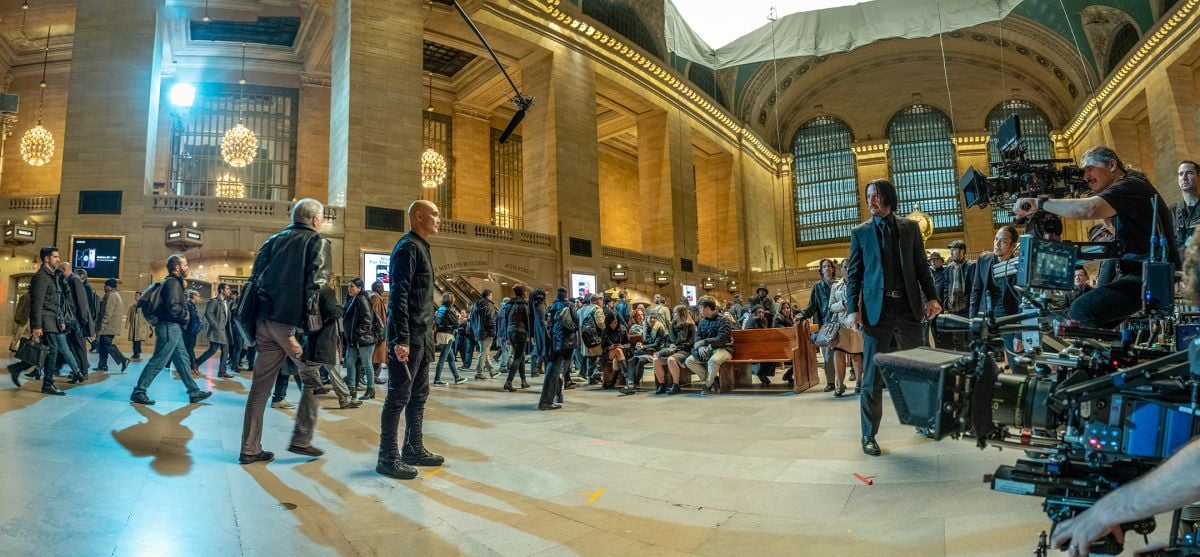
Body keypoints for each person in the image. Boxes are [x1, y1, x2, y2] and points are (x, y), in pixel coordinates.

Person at [1014, 146, 1179, 329]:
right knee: (1087, 317)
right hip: (1141, 271)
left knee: (1082, 310)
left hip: (1151, 273)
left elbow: (1089, 209)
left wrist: (1040, 203)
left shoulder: (1131, 185)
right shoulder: (1129, 188)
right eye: (1083, 172)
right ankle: (1109, 354)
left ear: (1111, 165)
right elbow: (1107, 219)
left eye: (1089, 168)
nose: (1085, 177)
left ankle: (1103, 357)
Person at [845, 178, 941, 457]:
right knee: (871, 377)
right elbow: (854, 276)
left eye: (876, 195)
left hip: (908, 309)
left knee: (914, 369)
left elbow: (922, 267)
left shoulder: (910, 228)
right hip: (877, 313)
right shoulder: (860, 233)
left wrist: (932, 297)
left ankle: (922, 421)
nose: (871, 200)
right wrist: (852, 308)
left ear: (888, 198)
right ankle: (868, 435)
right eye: (868, 196)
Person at [237, 198, 332, 465]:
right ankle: (301, 440)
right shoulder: (317, 242)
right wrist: (313, 329)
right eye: (321, 218)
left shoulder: (271, 241)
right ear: (314, 220)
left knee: (259, 390)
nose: (321, 223)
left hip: (262, 322)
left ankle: (250, 448)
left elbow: (255, 281)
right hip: (288, 326)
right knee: (313, 378)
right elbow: (317, 286)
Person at [377, 200, 446, 480]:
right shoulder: (407, 247)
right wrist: (401, 339)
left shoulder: (421, 247)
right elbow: (400, 296)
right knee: (398, 397)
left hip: (422, 336)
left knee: (418, 396)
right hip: (409, 337)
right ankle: (387, 457)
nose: (439, 218)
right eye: (435, 214)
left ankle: (413, 447)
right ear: (419, 216)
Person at [129, 254, 213, 406]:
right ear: (177, 267)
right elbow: (174, 308)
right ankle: (139, 391)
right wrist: (185, 315)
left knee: (182, 359)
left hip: (173, 327)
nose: (187, 268)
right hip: (169, 326)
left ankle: (194, 392)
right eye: (185, 265)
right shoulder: (173, 283)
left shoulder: (175, 282)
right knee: (159, 360)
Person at [11, 247, 74, 394]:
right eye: (55, 257)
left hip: (53, 319)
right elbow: (37, 302)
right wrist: (36, 325)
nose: (58, 260)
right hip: (45, 319)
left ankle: (18, 368)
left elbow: (56, 300)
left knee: (46, 351)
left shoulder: (52, 276)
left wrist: (61, 319)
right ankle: (47, 384)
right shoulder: (40, 277)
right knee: (52, 350)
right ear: (47, 259)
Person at [304, 283, 361, 410]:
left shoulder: (309, 290)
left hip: (312, 336)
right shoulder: (326, 291)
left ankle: (314, 390)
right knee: (334, 370)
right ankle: (345, 399)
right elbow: (333, 312)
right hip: (325, 338)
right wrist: (340, 308)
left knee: (309, 367)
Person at [970, 225, 1023, 359]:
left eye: (1003, 241)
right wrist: (972, 319)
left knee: (1015, 361)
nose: (997, 244)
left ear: (1012, 246)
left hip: (1009, 319)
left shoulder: (1019, 265)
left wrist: (1019, 334)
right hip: (986, 317)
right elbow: (976, 290)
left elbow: (1023, 301)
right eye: (996, 239)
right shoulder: (984, 259)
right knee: (981, 361)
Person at [682, 296, 734, 395]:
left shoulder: (723, 320)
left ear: (707, 308)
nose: (699, 310)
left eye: (701, 308)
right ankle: (714, 380)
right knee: (689, 361)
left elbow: (721, 339)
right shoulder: (702, 321)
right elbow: (698, 337)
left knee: (713, 361)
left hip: (724, 349)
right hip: (707, 349)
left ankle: (707, 385)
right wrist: (701, 346)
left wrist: (704, 342)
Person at [801, 259, 837, 391]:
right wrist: (802, 315)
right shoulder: (817, 287)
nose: (827, 268)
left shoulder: (839, 284)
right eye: (824, 266)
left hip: (841, 323)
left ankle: (851, 379)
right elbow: (812, 307)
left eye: (829, 266)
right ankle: (831, 382)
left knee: (845, 353)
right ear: (821, 270)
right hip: (826, 325)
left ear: (833, 269)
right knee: (828, 355)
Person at [827, 270, 864, 397]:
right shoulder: (836, 286)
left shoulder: (860, 283)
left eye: (849, 267)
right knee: (838, 353)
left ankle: (859, 382)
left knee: (856, 354)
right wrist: (843, 304)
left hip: (855, 323)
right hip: (840, 324)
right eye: (844, 267)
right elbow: (830, 306)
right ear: (841, 270)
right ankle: (839, 385)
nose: (847, 270)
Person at [538, 286, 576, 410]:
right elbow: (576, 320)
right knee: (561, 369)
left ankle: (557, 395)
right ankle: (552, 398)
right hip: (567, 340)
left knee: (557, 368)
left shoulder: (552, 306)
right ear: (566, 294)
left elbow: (549, 322)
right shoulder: (569, 305)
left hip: (555, 340)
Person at [343, 278, 380, 397]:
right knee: (349, 362)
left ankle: (370, 390)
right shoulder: (351, 299)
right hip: (353, 340)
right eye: (349, 286)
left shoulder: (362, 299)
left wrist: (358, 334)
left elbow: (367, 319)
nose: (349, 288)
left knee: (367, 363)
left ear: (359, 288)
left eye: (352, 286)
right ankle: (352, 389)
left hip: (364, 339)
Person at [498, 284, 532, 392]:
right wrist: (531, 335)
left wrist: (507, 336)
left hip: (510, 331)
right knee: (518, 357)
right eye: (525, 292)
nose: (526, 293)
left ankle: (523, 381)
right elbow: (527, 321)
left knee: (520, 355)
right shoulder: (524, 305)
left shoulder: (508, 304)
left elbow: (506, 320)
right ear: (523, 293)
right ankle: (508, 382)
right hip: (521, 332)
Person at [194, 283, 233, 379]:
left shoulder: (226, 302)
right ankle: (196, 363)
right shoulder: (214, 300)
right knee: (212, 350)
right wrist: (215, 325)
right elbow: (208, 313)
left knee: (225, 350)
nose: (229, 291)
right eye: (227, 289)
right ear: (221, 290)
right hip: (217, 330)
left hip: (225, 331)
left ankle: (222, 372)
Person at [943, 239, 975, 351]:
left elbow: (973, 289)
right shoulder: (949, 268)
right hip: (954, 308)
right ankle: (962, 362)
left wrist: (972, 306)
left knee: (970, 337)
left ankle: (973, 362)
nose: (952, 252)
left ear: (962, 251)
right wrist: (946, 305)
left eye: (954, 250)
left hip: (967, 307)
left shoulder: (971, 267)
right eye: (951, 250)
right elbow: (946, 287)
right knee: (957, 339)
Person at [659, 305, 696, 395]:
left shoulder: (690, 326)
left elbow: (691, 343)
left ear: (682, 314)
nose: (673, 314)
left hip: (685, 351)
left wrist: (677, 346)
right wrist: (671, 345)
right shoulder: (672, 326)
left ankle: (676, 385)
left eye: (675, 313)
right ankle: (662, 385)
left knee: (671, 359)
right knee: (656, 360)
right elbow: (667, 342)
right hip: (673, 350)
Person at [95, 279, 130, 373]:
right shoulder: (114, 295)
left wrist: (103, 324)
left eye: (105, 285)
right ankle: (102, 365)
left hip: (109, 326)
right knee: (102, 345)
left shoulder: (111, 295)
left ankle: (123, 359)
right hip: (110, 326)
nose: (104, 287)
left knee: (107, 344)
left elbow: (108, 312)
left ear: (109, 286)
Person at [432, 292, 465, 386]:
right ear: (450, 299)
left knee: (451, 358)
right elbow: (457, 325)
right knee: (442, 358)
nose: (455, 299)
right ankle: (437, 379)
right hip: (447, 336)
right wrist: (457, 319)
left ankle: (457, 377)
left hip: (440, 334)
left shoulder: (440, 309)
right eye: (453, 297)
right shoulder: (448, 310)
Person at [469, 289, 499, 379]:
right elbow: (491, 320)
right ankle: (479, 372)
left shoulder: (475, 305)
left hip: (478, 332)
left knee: (484, 352)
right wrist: (493, 332)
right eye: (491, 295)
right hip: (486, 332)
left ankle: (492, 371)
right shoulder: (488, 305)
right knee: (483, 352)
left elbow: (472, 319)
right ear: (489, 295)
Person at [577, 293, 605, 384]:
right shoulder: (597, 310)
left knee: (590, 358)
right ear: (597, 300)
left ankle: (590, 377)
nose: (602, 302)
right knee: (601, 357)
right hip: (596, 338)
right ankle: (595, 376)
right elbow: (601, 324)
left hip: (584, 338)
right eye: (601, 300)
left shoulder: (581, 310)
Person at [1174, 160, 1200, 257]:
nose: (1184, 178)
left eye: (1189, 173)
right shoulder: (1171, 211)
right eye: (1181, 174)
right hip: (1179, 269)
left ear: (1198, 176)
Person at [368, 280, 388, 385]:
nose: (383, 288)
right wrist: (378, 330)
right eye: (381, 287)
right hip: (378, 331)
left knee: (377, 355)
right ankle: (374, 377)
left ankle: (375, 376)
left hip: (379, 331)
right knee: (377, 355)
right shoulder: (375, 297)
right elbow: (374, 315)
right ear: (376, 288)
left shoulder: (375, 297)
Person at [528, 288, 549, 378]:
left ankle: (536, 369)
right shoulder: (540, 305)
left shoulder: (533, 304)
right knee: (542, 350)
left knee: (537, 350)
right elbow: (542, 320)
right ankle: (540, 370)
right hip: (541, 330)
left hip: (536, 329)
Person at [126, 290, 152, 361]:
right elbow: (129, 315)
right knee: (134, 340)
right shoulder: (132, 306)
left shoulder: (144, 306)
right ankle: (135, 352)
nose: (136, 297)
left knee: (138, 340)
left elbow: (147, 316)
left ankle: (137, 353)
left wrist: (149, 326)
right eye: (135, 295)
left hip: (140, 326)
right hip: (134, 326)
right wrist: (127, 324)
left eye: (137, 296)